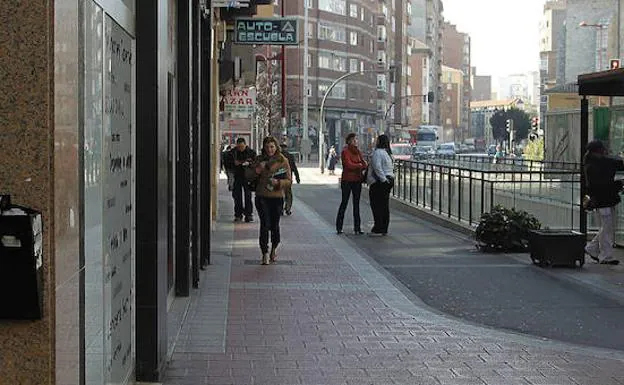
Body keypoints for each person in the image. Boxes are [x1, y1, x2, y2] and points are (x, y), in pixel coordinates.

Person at [249, 137, 292, 265]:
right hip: (262, 196)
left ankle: (274, 248)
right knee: (264, 224)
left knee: (274, 225)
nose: (270, 150)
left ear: (276, 147)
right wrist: (257, 170)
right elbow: (248, 176)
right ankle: (264, 252)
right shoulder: (259, 159)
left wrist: (278, 182)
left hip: (277, 197)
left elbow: (289, 181)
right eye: (267, 147)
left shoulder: (282, 160)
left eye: (272, 147)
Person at [584, 140, 624, 265]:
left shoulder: (591, 164)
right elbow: (604, 184)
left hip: (600, 200)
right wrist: (619, 184)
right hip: (604, 200)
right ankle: (606, 256)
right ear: (598, 151)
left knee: (606, 227)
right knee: (607, 227)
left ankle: (592, 249)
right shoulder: (599, 165)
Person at [335, 133, 368, 235]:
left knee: (356, 204)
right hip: (347, 180)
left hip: (357, 180)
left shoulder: (358, 152)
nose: (356, 142)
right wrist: (359, 165)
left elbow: (365, 164)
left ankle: (357, 228)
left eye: (356, 140)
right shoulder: (345, 151)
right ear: (349, 141)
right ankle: (339, 227)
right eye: (354, 140)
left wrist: (360, 165)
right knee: (344, 202)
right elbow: (348, 165)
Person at [367, 134, 395, 235]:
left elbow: (377, 167)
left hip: (380, 182)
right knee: (384, 205)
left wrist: (383, 180)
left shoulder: (378, 153)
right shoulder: (388, 153)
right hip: (389, 179)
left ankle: (378, 227)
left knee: (376, 205)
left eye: (377, 140)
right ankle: (384, 228)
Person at [229, 138, 256, 222]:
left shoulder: (251, 152)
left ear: (245, 145)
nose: (240, 148)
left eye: (242, 146)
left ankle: (248, 214)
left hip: (247, 177)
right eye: (239, 146)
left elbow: (255, 163)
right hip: (237, 176)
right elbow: (228, 163)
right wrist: (234, 163)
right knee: (237, 197)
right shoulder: (233, 152)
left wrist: (248, 163)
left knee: (248, 196)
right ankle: (238, 214)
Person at [280, 144, 300, 215]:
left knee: (281, 194)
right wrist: (297, 177)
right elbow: (294, 167)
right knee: (288, 194)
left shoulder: (277, 156)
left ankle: (281, 209)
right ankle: (287, 209)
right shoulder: (290, 156)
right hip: (288, 178)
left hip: (280, 178)